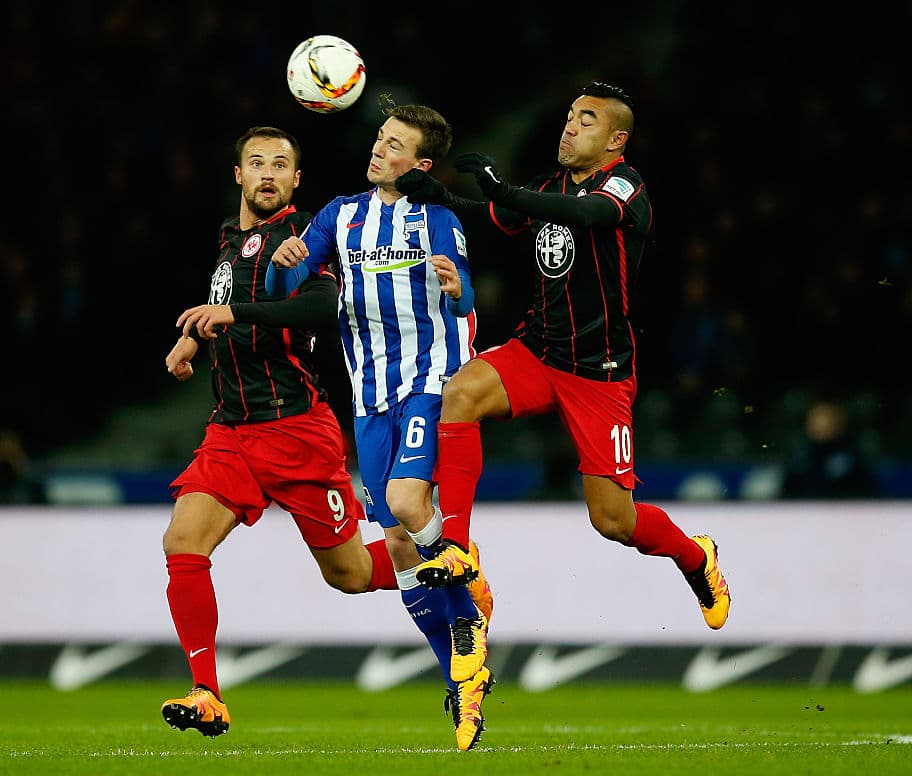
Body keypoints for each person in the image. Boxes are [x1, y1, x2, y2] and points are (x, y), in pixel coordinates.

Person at [396, 82, 731, 632]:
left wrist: (507, 191)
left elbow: (585, 215)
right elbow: (494, 215)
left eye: (587, 120)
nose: (570, 126)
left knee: (613, 520)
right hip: (539, 352)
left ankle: (697, 558)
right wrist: (439, 193)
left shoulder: (624, 186)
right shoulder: (550, 185)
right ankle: (455, 545)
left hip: (599, 373)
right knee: (460, 394)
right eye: (571, 116)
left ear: (615, 139)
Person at [160, 126, 401, 739]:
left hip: (296, 430)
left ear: (296, 180)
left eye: (281, 165)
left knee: (348, 574)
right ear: (238, 175)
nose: (268, 173)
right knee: (182, 542)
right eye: (256, 163)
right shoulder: (229, 237)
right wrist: (195, 334)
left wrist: (232, 314)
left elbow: (323, 308)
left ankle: (444, 562)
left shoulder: (302, 238)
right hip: (231, 432)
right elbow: (228, 295)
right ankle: (206, 691)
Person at [267, 103, 495, 752]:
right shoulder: (340, 214)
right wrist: (290, 257)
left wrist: (457, 290)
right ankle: (462, 670)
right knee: (397, 547)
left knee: (403, 502)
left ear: (420, 164)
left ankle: (466, 572)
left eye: (394, 145)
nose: (378, 150)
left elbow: (468, 296)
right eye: (379, 138)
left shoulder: (439, 219)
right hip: (369, 394)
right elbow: (294, 273)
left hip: (431, 381)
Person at [781, 399, 880, 498]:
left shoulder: (852, 455)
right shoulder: (800, 456)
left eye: (826, 419)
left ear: (838, 423)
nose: (821, 425)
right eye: (817, 420)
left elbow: (867, 490)